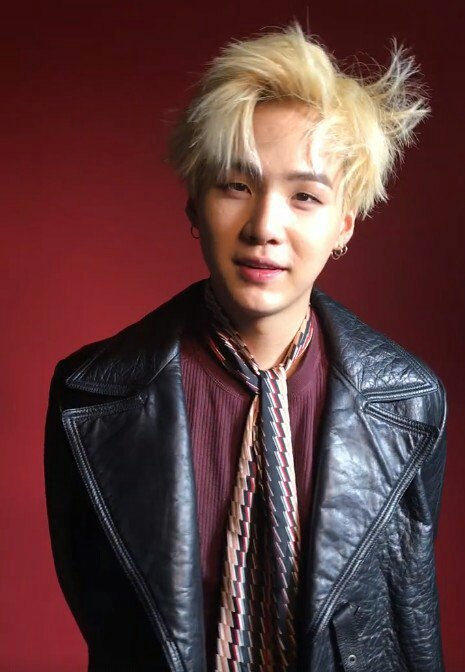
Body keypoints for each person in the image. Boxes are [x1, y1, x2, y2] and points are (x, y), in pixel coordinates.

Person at [44, 23, 447, 672]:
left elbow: (408, 621)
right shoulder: (90, 394)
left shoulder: (408, 401)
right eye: (236, 185)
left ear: (344, 222)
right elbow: (107, 624)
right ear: (194, 204)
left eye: (305, 196)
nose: (264, 226)